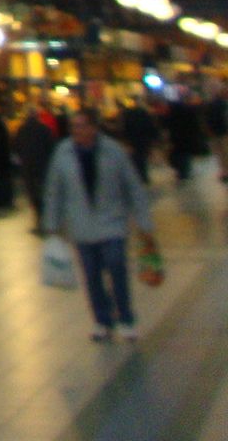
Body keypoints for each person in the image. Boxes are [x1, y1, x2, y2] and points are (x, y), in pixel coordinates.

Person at [42, 110, 156, 342]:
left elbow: (132, 185)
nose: (77, 131)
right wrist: (51, 224)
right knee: (92, 276)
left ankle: (125, 319)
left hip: (112, 222)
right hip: (82, 226)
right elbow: (54, 190)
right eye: (73, 126)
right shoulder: (63, 153)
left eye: (82, 126)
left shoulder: (113, 151)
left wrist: (143, 220)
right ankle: (102, 321)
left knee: (116, 268)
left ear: (94, 127)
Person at [15, 106, 57, 233]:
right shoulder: (44, 129)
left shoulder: (21, 129)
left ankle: (39, 220)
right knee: (44, 192)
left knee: (33, 193)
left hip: (28, 166)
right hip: (43, 165)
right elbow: (51, 147)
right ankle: (46, 219)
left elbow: (17, 147)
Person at [164, 94, 207, 183]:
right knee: (185, 155)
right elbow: (195, 124)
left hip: (177, 139)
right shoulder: (189, 111)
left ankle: (183, 172)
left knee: (180, 155)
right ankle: (185, 171)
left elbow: (168, 126)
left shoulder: (172, 116)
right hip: (187, 138)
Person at [118, 99, 159, 184]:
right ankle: (143, 176)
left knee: (137, 159)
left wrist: (126, 140)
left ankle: (140, 176)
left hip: (134, 140)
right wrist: (154, 138)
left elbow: (125, 129)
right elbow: (151, 126)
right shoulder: (145, 114)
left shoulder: (128, 115)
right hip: (144, 139)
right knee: (142, 158)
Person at [203, 84, 228, 183]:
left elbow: (207, 119)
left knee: (221, 153)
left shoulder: (212, 105)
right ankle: (225, 171)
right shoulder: (222, 104)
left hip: (217, 133)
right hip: (223, 132)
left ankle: (224, 171)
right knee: (224, 153)